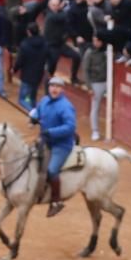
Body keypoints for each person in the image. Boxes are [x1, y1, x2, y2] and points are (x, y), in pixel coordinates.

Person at [29, 76, 78, 217]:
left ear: (62, 89)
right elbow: (38, 112)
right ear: (48, 87)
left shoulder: (66, 106)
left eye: (58, 87)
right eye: (52, 86)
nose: (54, 89)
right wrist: (33, 119)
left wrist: (50, 132)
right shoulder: (44, 101)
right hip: (45, 141)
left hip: (62, 145)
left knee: (51, 170)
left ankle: (56, 201)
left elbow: (70, 127)